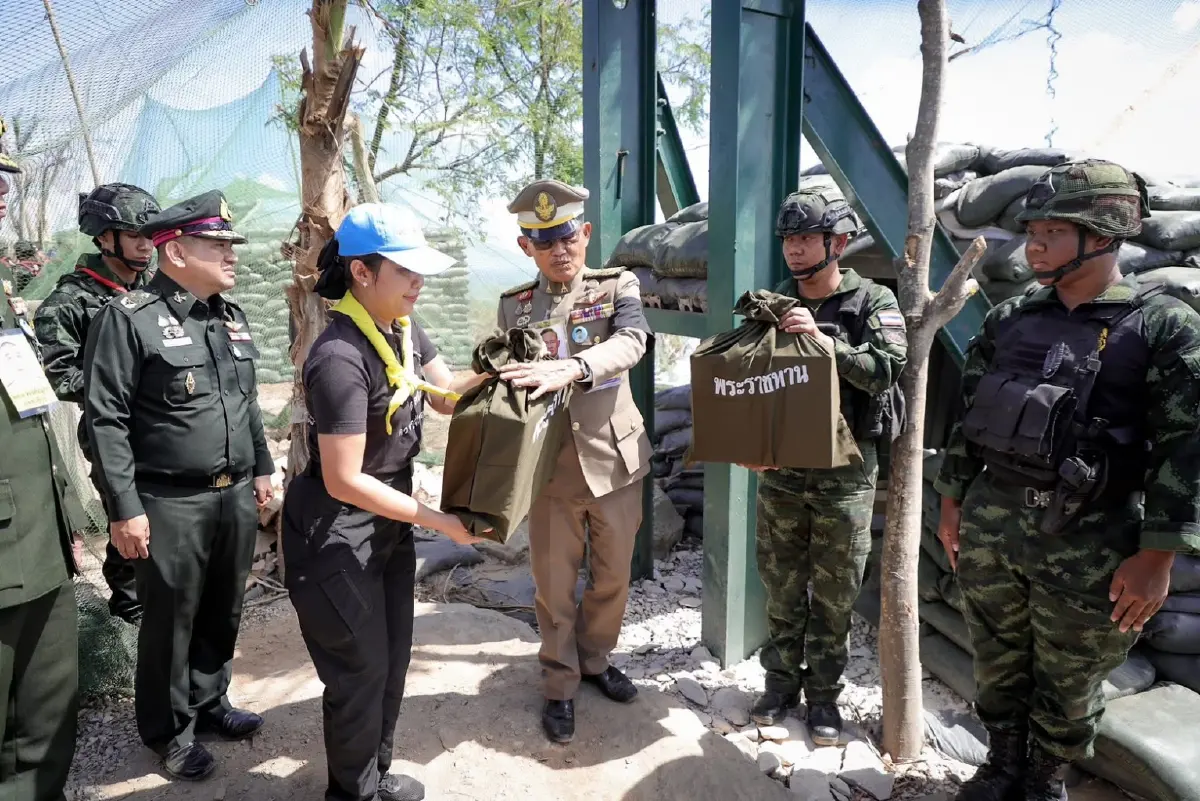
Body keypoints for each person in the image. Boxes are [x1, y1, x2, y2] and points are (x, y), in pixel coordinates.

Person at [934, 160, 1200, 801]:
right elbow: (969, 416)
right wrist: (952, 501)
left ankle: (1045, 780)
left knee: (1071, 677)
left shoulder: (1164, 325)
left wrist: (1158, 556)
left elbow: (1186, 447)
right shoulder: (1011, 317)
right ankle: (1001, 766)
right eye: (1032, 232)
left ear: (1104, 234)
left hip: (1091, 538)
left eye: (1053, 232)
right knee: (997, 656)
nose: (1034, 245)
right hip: (994, 523)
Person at [283, 203, 488, 801]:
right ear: (362, 272)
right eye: (406, 270)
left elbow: (445, 396)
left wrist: (505, 373)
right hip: (336, 532)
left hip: (387, 520)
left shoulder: (402, 329)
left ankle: (374, 775)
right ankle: (352, 793)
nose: (419, 282)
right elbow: (344, 479)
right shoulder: (339, 357)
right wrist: (441, 522)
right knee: (359, 671)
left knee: (393, 658)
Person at [83, 190, 275, 781]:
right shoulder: (130, 318)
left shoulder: (230, 317)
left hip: (233, 493)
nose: (231, 254)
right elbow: (105, 420)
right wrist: (123, 507)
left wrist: (262, 467)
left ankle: (211, 702)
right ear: (176, 251)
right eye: (217, 245)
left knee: (223, 605)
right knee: (171, 620)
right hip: (168, 500)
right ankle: (170, 732)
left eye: (230, 244)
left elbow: (245, 405)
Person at [745, 186, 908, 745]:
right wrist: (749, 442)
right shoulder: (773, 306)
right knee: (781, 585)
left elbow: (885, 370)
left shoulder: (872, 302)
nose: (794, 248)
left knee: (836, 593)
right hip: (783, 469)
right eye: (788, 239)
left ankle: (823, 699)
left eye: (806, 238)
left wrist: (822, 342)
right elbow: (749, 382)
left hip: (846, 472)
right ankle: (779, 685)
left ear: (837, 243)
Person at [495, 179, 653, 744]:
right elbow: (505, 379)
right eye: (545, 241)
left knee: (612, 578)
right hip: (549, 472)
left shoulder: (617, 286)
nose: (559, 250)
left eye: (567, 237)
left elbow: (633, 341)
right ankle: (560, 684)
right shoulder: (514, 306)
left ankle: (595, 659)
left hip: (614, 461)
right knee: (554, 585)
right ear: (526, 247)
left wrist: (576, 367)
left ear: (585, 234)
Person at [0, 122, 87, 801]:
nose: (3, 194)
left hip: (39, 544)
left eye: (3, 179)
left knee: (45, 729)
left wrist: (66, 516)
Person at [35, 182, 160, 625]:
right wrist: (128, 384)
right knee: (131, 530)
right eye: (136, 236)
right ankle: (132, 617)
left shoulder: (156, 290)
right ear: (105, 237)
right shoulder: (69, 301)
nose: (146, 246)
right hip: (115, 438)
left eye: (151, 236)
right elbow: (60, 375)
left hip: (167, 433)